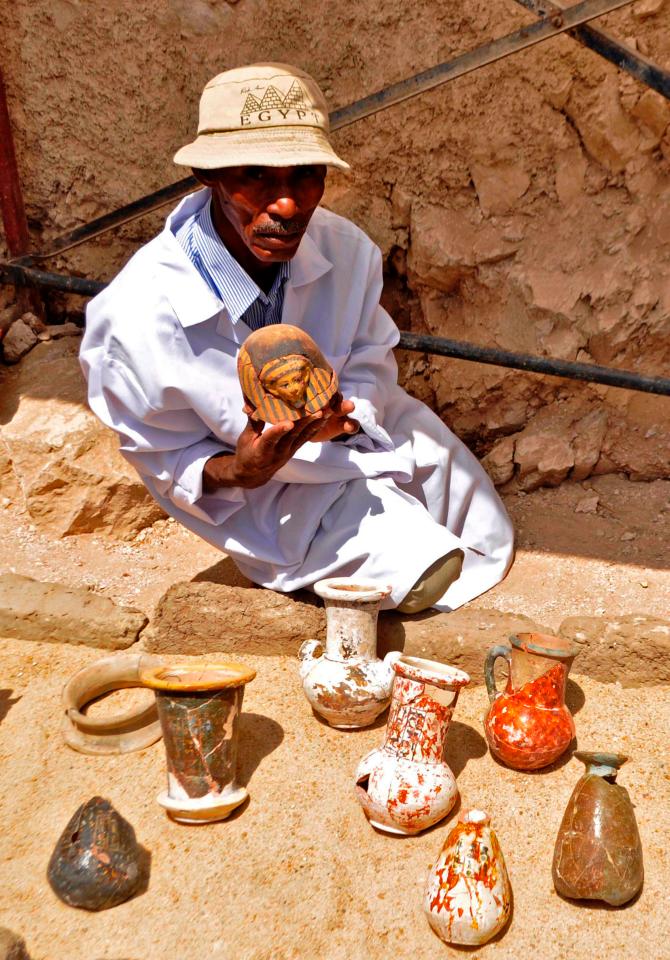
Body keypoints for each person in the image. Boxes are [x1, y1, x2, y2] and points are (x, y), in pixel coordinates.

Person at [80, 62, 514, 613]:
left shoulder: (346, 250)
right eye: (257, 175)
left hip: (366, 440)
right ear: (208, 176)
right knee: (424, 575)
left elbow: (369, 356)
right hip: (263, 496)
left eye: (305, 174)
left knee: (484, 532)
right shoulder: (135, 318)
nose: (286, 205)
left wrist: (350, 415)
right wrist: (243, 469)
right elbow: (163, 456)